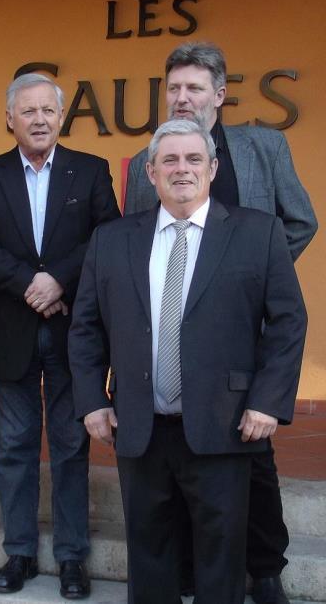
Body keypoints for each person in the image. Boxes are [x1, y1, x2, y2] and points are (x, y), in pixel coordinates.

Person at [70, 119, 307, 604]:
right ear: (151, 173)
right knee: (149, 556)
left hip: (226, 425)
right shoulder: (113, 240)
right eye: (170, 160)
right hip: (140, 425)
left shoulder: (258, 233)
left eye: (194, 159)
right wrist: (92, 400)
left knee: (221, 563)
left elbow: (288, 323)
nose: (182, 169)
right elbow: (86, 327)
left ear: (214, 168)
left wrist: (267, 402)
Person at [124, 42, 317, 604]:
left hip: (244, 333)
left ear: (220, 94)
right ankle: (185, 566)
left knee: (251, 459)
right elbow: (142, 237)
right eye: (175, 89)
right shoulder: (151, 159)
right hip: (176, 332)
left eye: (195, 88)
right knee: (181, 452)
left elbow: (300, 221)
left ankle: (264, 568)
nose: (183, 98)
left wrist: (252, 284)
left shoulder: (263, 146)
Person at [0, 73, 120, 600]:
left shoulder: (91, 172)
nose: (39, 119)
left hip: (74, 333)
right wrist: (28, 282)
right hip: (12, 332)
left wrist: (59, 280)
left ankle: (72, 557)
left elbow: (107, 236)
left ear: (60, 115)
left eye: (48, 110)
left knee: (71, 446)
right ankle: (20, 552)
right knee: (14, 448)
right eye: (28, 111)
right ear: (10, 119)